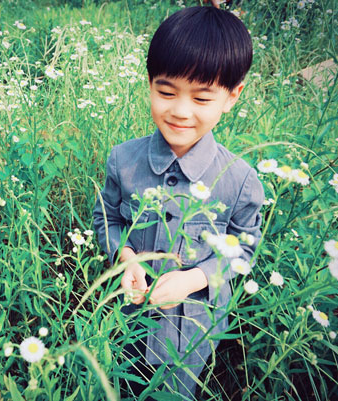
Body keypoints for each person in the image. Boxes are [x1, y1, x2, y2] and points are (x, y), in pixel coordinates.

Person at [92, 6, 264, 399]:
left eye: (202, 98)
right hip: (126, 315)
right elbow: (107, 219)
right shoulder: (123, 159)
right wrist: (127, 257)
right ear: (149, 84)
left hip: (192, 331)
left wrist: (194, 278)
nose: (180, 112)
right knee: (119, 386)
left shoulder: (238, 179)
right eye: (166, 92)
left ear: (232, 96)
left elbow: (244, 247)